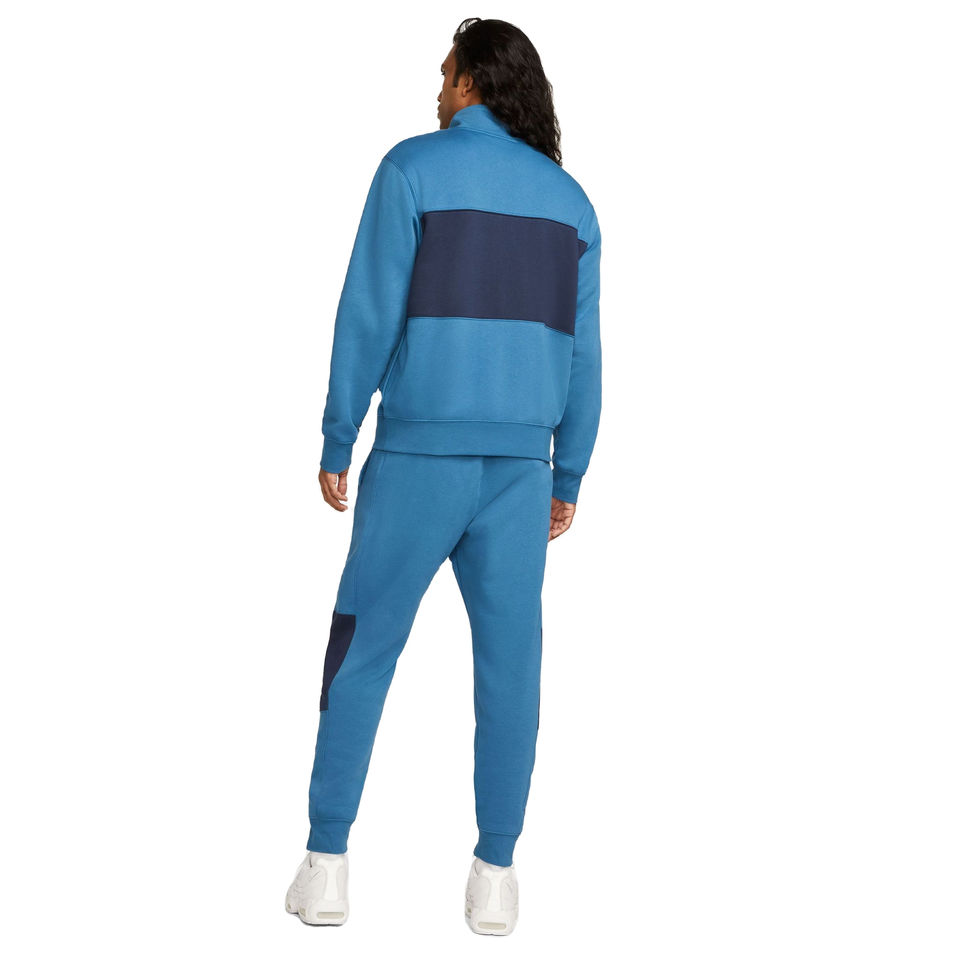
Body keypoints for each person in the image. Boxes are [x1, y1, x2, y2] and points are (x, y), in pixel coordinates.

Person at [285, 17, 602, 936]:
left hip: (417, 461)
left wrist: (338, 436)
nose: (436, 88)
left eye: (444, 72)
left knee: (362, 649)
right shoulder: (571, 203)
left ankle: (326, 865)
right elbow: (583, 353)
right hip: (520, 476)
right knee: (513, 670)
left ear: (471, 82)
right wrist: (570, 470)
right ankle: (496, 875)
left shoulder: (411, 169)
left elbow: (367, 311)